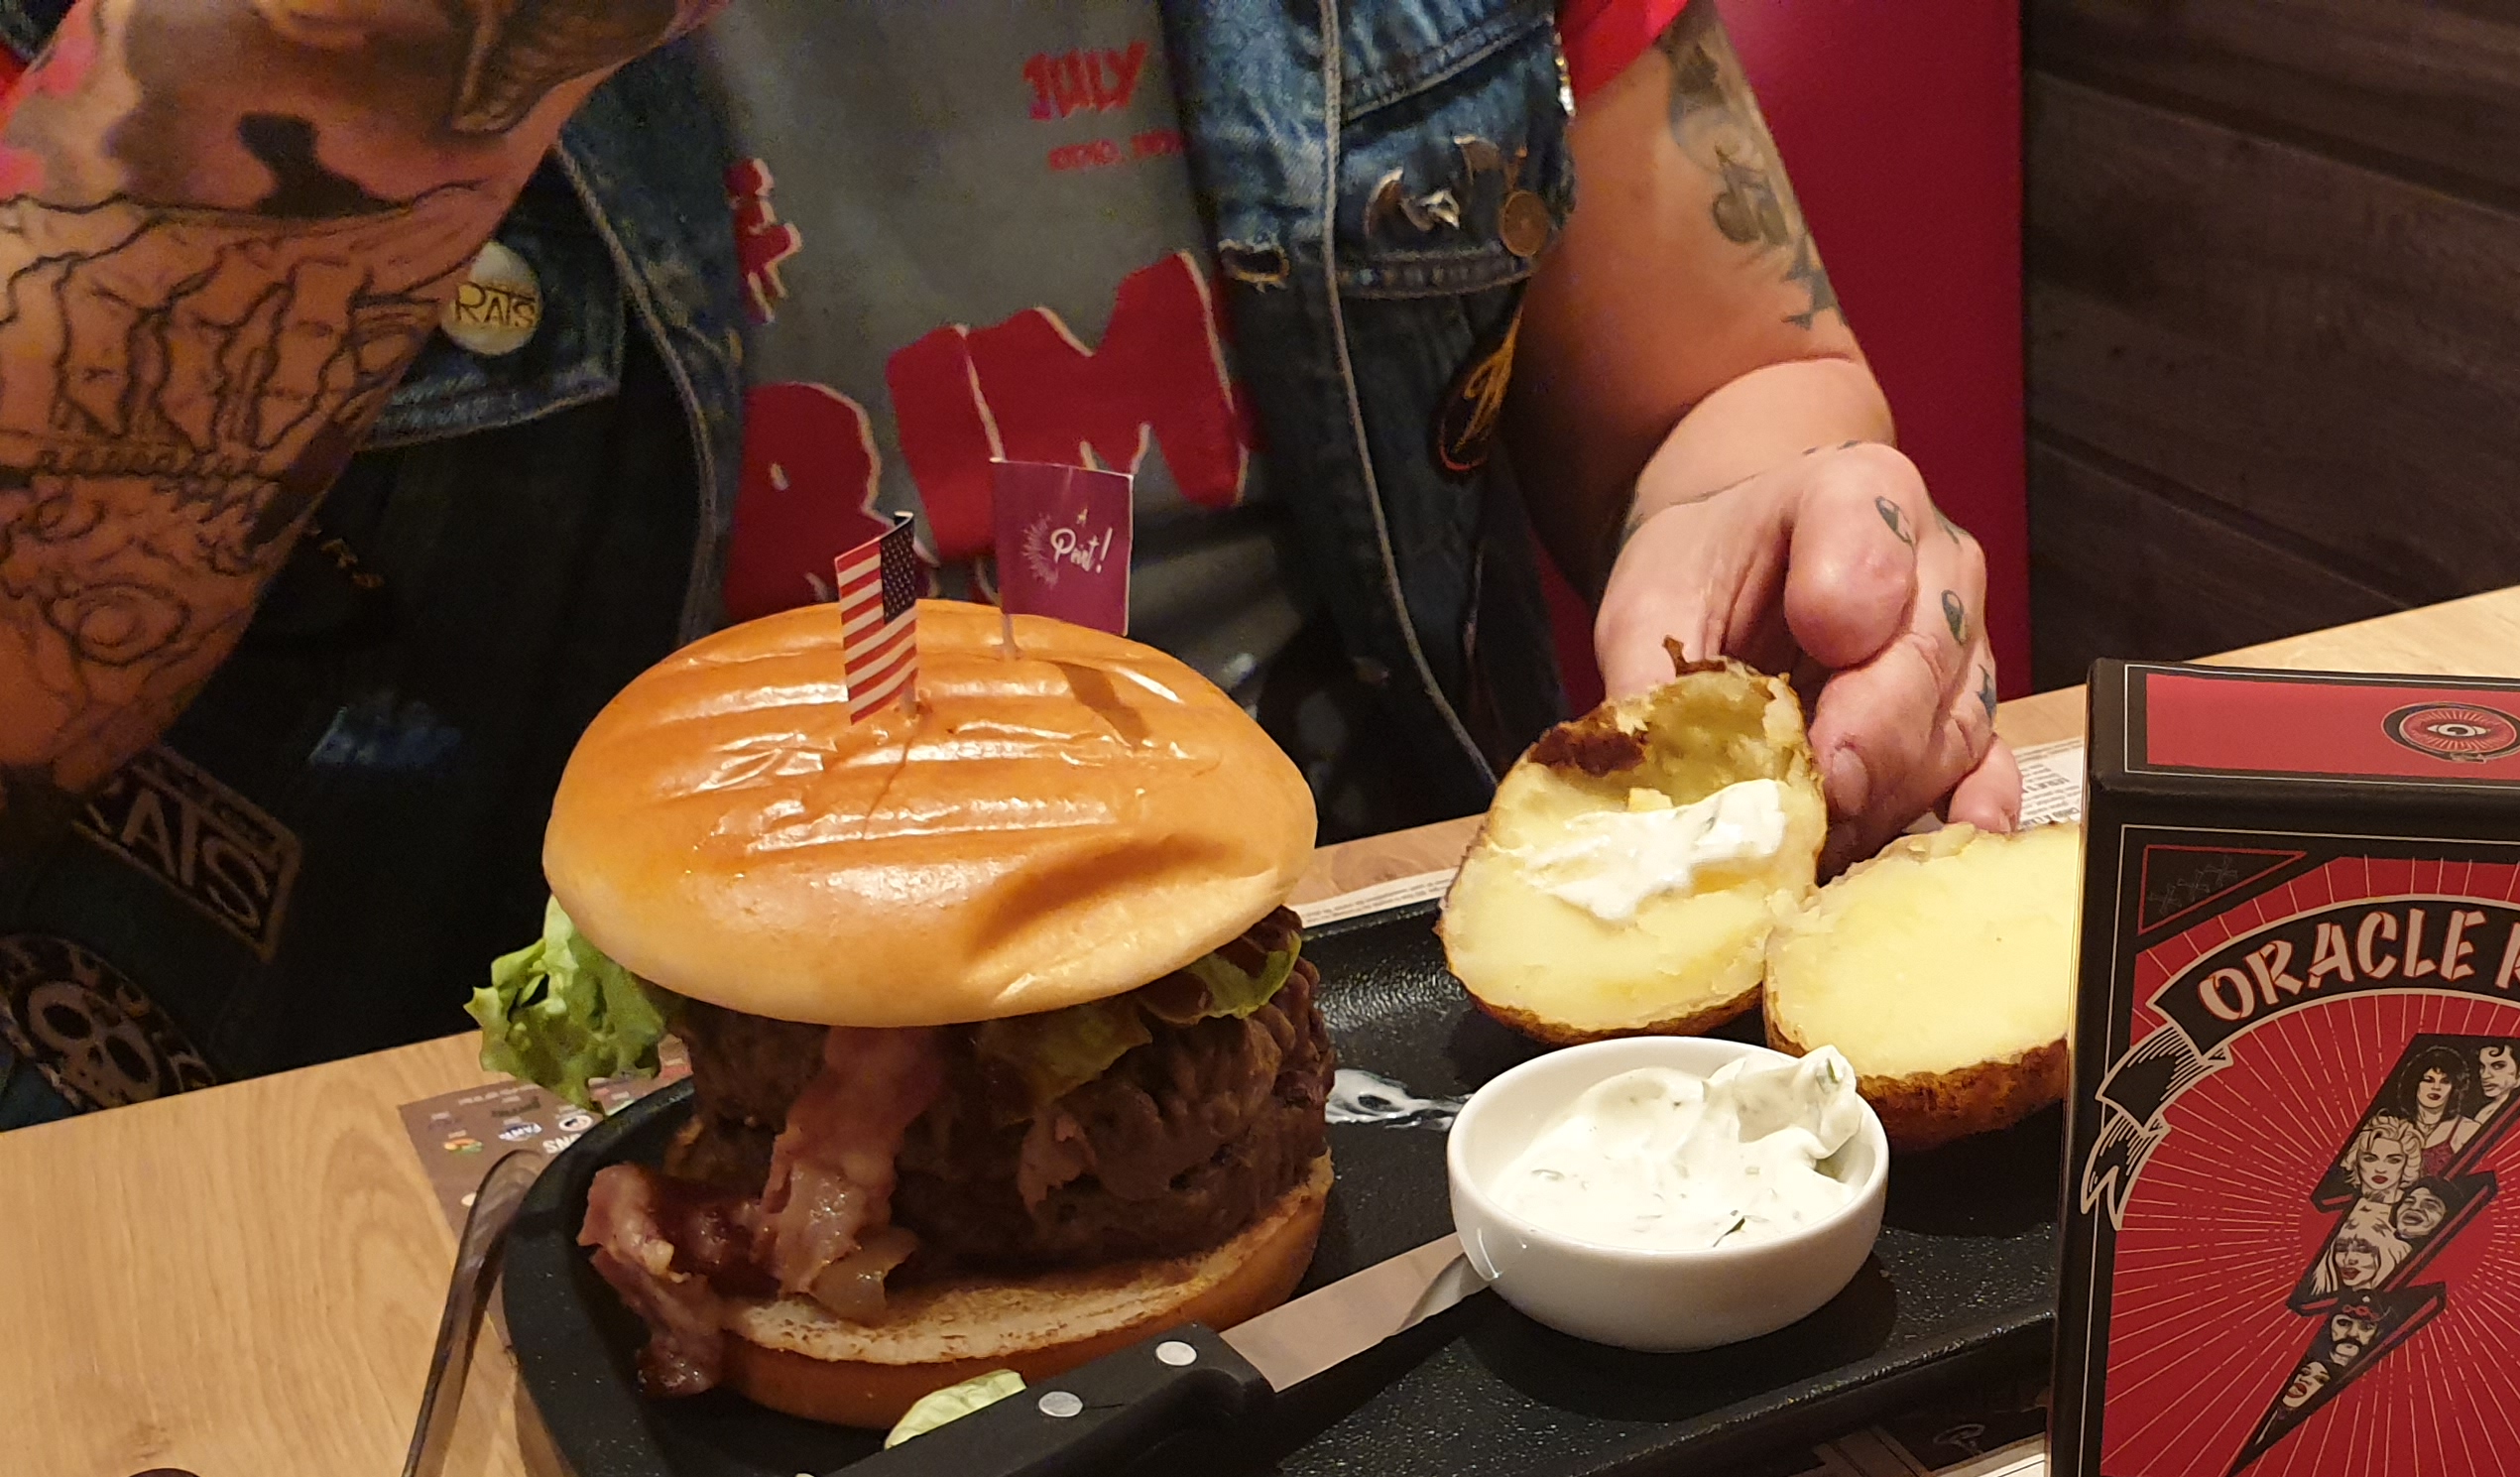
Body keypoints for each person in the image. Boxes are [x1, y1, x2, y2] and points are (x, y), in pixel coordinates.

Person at [0, 0, 2010, 1128]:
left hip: (1377, 1062)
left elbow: (1725, 380)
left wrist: (1781, 517)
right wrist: (348, 67)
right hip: (410, 1171)